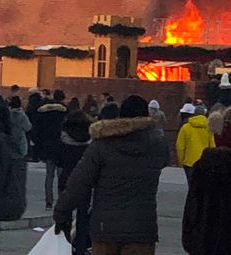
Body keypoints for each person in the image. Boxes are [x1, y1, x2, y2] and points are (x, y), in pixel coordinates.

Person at [54, 95, 168, 255]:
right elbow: (164, 161)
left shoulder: (102, 145)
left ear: (121, 115)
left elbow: (79, 182)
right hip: (142, 228)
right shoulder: (157, 145)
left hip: (104, 227)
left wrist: (62, 211)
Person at [58, 109, 93, 255]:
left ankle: (64, 244)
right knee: (82, 215)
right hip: (85, 181)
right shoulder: (91, 140)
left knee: (65, 213)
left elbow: (58, 159)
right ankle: (80, 247)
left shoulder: (63, 138)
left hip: (66, 177)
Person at [34, 91, 68, 210]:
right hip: (61, 146)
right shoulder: (65, 112)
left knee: (49, 175)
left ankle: (48, 202)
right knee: (61, 175)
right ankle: (61, 200)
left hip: (48, 146)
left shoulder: (44, 111)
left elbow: (38, 129)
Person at [176, 105, 215, 184]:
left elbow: (180, 146)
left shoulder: (186, 127)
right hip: (205, 161)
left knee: (191, 185)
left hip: (189, 161)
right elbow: (212, 146)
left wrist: (181, 161)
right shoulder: (209, 128)